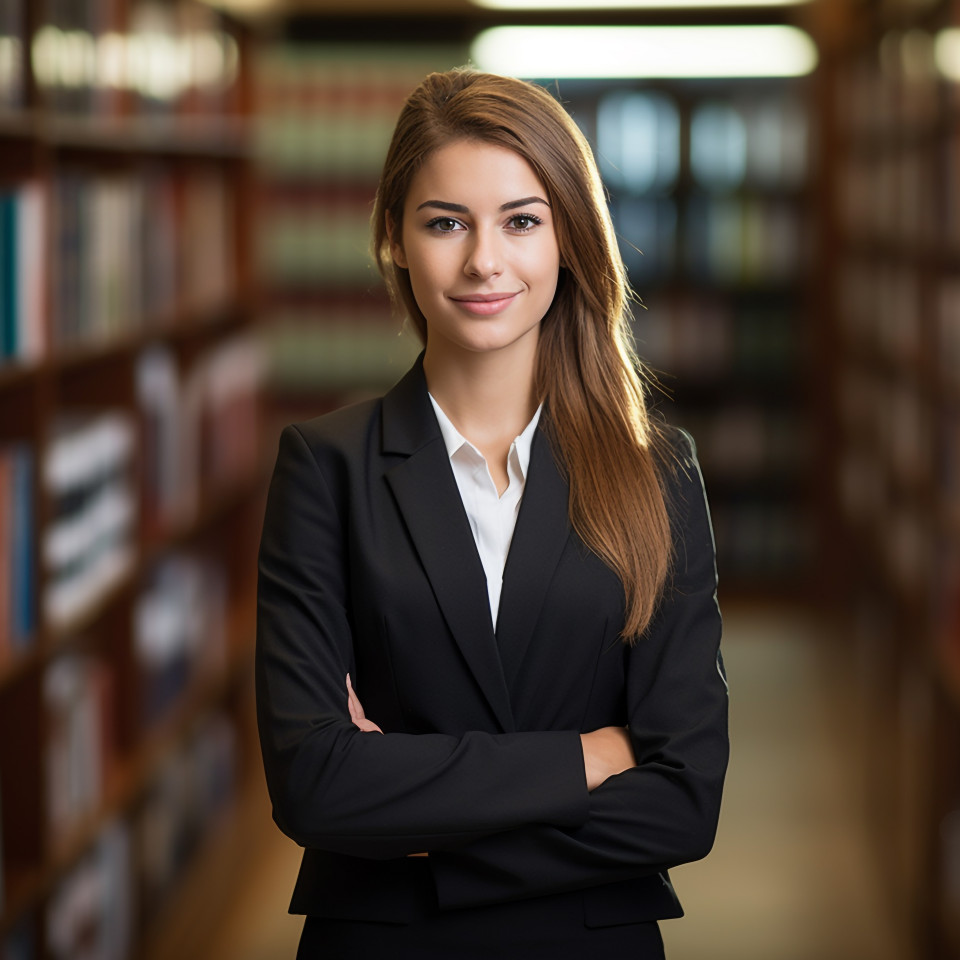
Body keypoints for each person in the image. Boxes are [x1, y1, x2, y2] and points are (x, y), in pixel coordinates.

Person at [256, 68, 729, 960]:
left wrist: (414, 826)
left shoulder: (657, 473)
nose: (483, 261)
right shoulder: (326, 468)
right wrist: (588, 758)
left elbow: (683, 802)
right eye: (446, 223)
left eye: (521, 221)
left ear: (569, 239)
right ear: (394, 239)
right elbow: (315, 785)